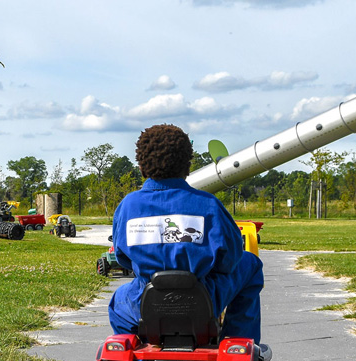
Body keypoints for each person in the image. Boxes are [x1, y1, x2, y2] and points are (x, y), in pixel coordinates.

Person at [108, 123, 263, 343]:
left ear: (142, 167)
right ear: (187, 167)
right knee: (250, 264)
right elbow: (230, 259)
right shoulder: (209, 205)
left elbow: (123, 258)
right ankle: (237, 344)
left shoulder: (127, 206)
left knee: (118, 303)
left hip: (146, 300)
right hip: (203, 298)